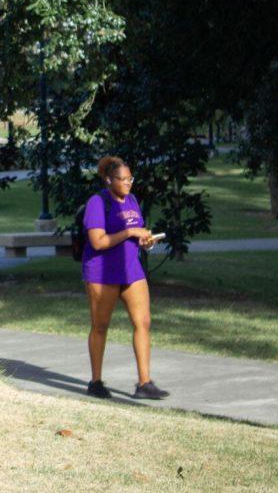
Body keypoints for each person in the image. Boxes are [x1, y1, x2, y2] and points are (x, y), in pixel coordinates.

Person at [81, 155, 170, 400]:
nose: (129, 183)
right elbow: (98, 242)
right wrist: (130, 231)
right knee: (100, 326)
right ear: (109, 180)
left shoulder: (131, 200)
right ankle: (96, 382)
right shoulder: (97, 203)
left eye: (131, 178)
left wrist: (145, 241)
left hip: (132, 270)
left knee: (143, 323)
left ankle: (144, 383)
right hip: (102, 273)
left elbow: (136, 236)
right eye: (123, 179)